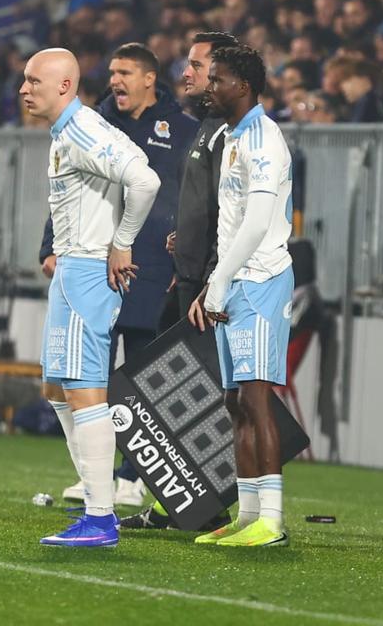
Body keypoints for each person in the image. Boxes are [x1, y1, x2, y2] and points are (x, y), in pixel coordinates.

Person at [20, 48, 161, 548]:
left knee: (83, 390)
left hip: (86, 272)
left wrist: (121, 242)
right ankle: (96, 496)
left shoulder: (82, 130)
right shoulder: (69, 132)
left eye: (34, 81)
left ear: (63, 86)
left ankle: (100, 516)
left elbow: (146, 178)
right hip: (72, 270)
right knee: (57, 388)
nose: (23, 89)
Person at [120, 32, 239, 531]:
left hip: (214, 285)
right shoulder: (208, 127)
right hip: (188, 278)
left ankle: (236, 510)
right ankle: (178, 503)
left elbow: (238, 212)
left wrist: (211, 273)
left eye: (196, 65)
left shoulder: (232, 132)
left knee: (216, 397)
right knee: (167, 391)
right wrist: (183, 244)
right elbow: (202, 208)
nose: (185, 73)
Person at [189, 45, 294, 548]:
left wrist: (221, 279)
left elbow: (256, 222)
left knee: (256, 398)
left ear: (244, 87)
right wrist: (217, 275)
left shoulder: (263, 139)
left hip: (261, 279)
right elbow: (231, 223)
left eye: (217, 79)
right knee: (235, 401)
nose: (209, 87)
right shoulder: (232, 136)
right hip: (236, 279)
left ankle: (270, 520)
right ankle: (248, 513)